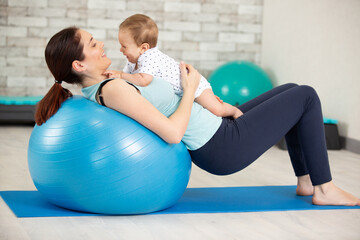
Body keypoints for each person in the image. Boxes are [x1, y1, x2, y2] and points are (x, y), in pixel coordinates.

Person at [36, 26, 360, 206]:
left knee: (292, 88)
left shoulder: (110, 83)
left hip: (217, 128)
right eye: (93, 44)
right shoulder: (113, 90)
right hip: (221, 145)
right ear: (78, 65)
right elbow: (173, 134)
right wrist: (190, 88)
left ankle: (307, 182)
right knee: (306, 96)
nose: (102, 44)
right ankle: (323, 188)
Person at [103, 14, 243, 119]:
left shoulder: (150, 57)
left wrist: (120, 75)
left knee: (216, 110)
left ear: (143, 48)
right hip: (183, 92)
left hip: (195, 85)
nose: (121, 50)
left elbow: (143, 80)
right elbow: (128, 80)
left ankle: (233, 110)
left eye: (124, 46)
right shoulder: (134, 59)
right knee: (206, 109)